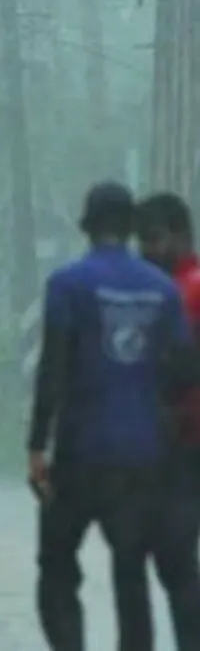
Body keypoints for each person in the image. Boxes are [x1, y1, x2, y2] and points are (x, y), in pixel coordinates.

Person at [28, 181, 194, 651]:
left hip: (80, 453)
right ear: (131, 229)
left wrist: (37, 445)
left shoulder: (66, 284)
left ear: (88, 228)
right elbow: (183, 369)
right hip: (142, 457)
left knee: (57, 564)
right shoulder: (163, 290)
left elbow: (53, 369)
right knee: (130, 570)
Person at [135, 191, 200, 649]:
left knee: (175, 558)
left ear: (181, 235)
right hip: (172, 440)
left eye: (155, 239)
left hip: (185, 439)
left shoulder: (188, 290)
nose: (147, 251)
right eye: (142, 240)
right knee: (174, 558)